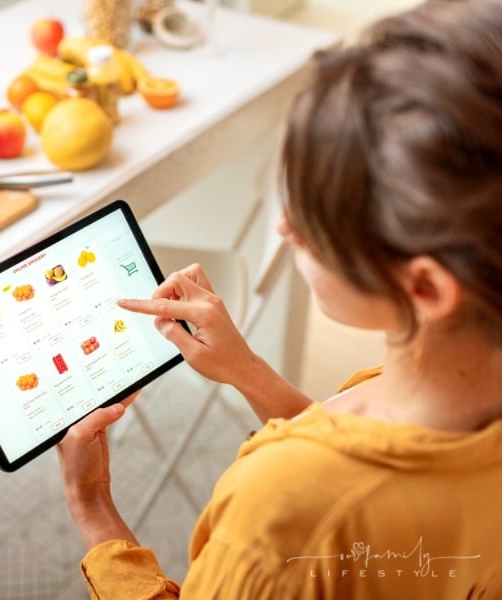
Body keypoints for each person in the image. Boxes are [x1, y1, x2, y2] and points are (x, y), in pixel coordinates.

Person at [55, 0, 502, 597]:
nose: (287, 226)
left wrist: (92, 507)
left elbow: (337, 494)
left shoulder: (279, 511)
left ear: (424, 287)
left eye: (314, 211)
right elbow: (376, 464)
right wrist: (248, 371)